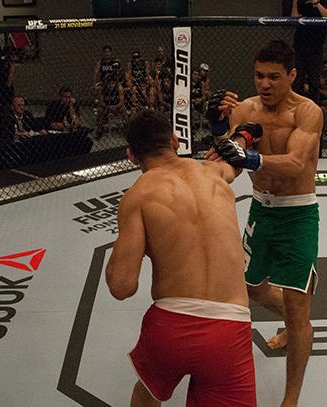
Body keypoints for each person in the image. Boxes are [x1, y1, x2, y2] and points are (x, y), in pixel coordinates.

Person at [106, 110, 256, 407]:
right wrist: (238, 138)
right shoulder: (213, 173)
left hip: (170, 327)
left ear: (130, 155)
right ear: (175, 141)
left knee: (146, 393)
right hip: (229, 327)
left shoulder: (137, 196)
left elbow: (121, 286)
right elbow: (234, 165)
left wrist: (124, 238)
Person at [205, 39, 322, 407]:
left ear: (292, 75)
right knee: (253, 289)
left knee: (297, 303)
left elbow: (295, 164)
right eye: (259, 76)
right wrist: (216, 128)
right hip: (261, 210)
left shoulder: (307, 112)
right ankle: (294, 323)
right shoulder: (244, 110)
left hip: (298, 213)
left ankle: (290, 398)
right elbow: (228, 165)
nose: (265, 84)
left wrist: (249, 158)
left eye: (274, 76)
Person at [291, 0, 327, 104]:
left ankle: (314, 110)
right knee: (298, 80)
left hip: (316, 46)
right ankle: (297, 108)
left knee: (314, 81)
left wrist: (316, 3)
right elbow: (293, 18)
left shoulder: (325, 2)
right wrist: (295, 3)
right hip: (300, 44)